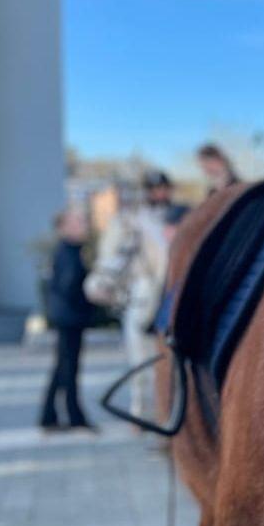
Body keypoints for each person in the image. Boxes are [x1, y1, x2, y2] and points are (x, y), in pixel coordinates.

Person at [84, 172, 171, 421]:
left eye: (163, 189)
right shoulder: (133, 221)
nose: (160, 194)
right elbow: (116, 255)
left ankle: (162, 412)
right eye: (154, 189)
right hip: (145, 288)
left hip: (169, 286)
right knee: (139, 356)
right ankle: (140, 409)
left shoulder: (174, 216)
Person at [40, 209, 97, 432]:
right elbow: (69, 285)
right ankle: (73, 416)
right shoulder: (68, 252)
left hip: (68, 316)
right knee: (68, 368)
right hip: (70, 317)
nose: (82, 226)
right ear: (63, 228)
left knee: (63, 367)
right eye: (77, 223)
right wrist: (88, 297)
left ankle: (50, 415)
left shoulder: (70, 251)